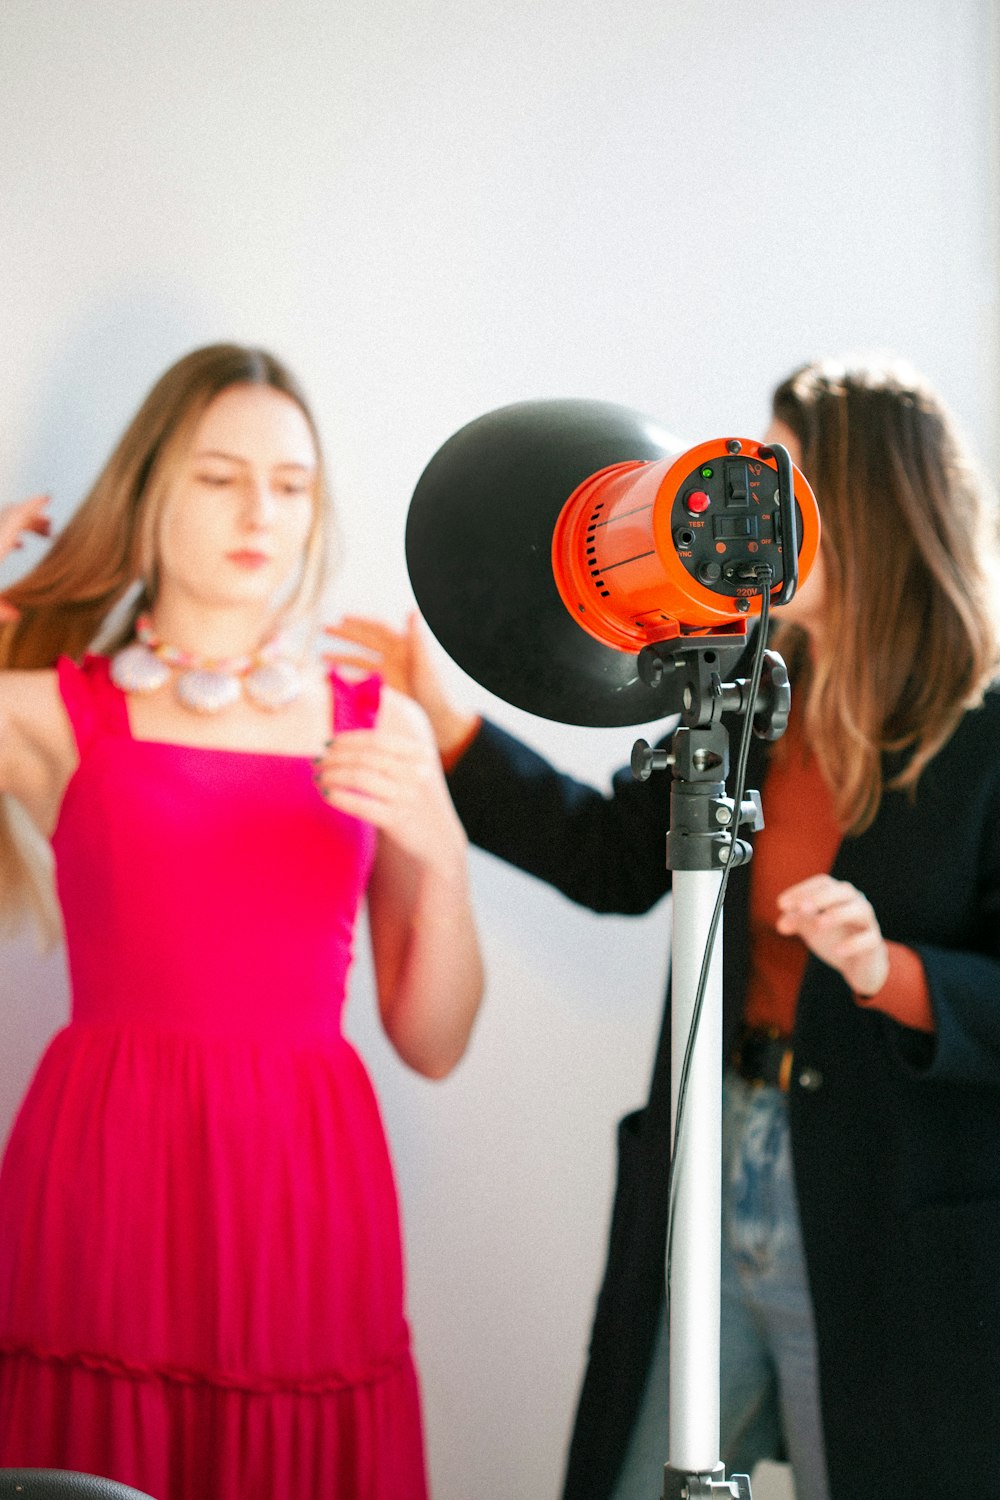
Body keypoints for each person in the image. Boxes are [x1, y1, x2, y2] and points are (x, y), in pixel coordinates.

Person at [329, 357, 1000, 1500]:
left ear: (873, 505)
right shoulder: (743, 686)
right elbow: (612, 861)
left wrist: (889, 972)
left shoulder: (980, 736)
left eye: (782, 473)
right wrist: (451, 733)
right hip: (706, 1155)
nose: (746, 506)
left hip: (882, 1200)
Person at [0, 343, 484, 1500]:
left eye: (291, 483)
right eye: (220, 478)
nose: (259, 511)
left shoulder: (383, 722)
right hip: (108, 1164)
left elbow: (433, 1040)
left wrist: (446, 851)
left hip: (303, 1175)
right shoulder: (49, 711)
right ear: (150, 490)